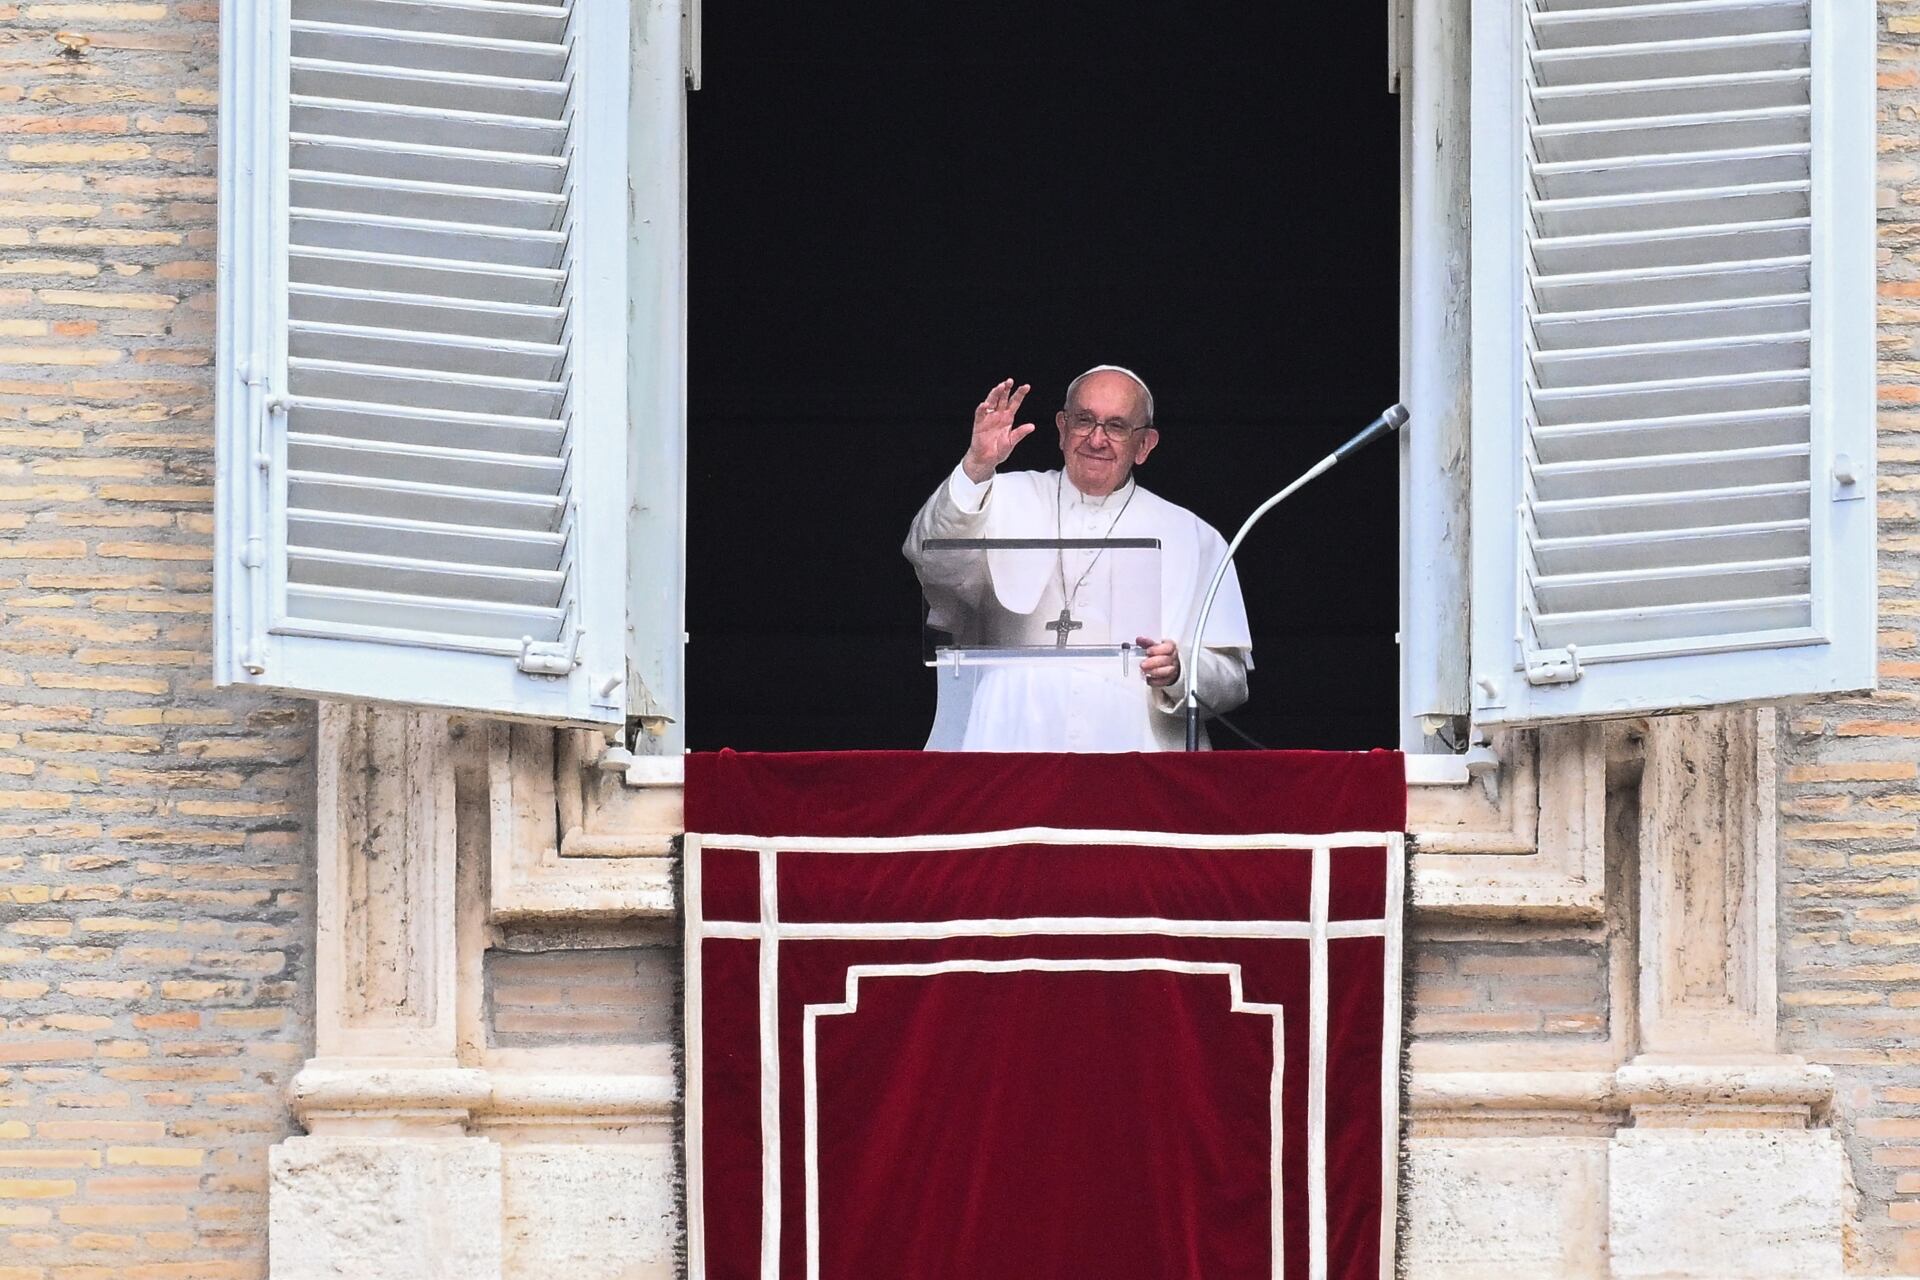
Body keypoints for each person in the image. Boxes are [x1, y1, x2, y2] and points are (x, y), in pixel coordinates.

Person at [903, 366, 1252, 751]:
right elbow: (930, 560)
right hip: (1009, 736)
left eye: (1117, 426)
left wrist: (1179, 670)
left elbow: (1231, 680)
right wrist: (976, 466)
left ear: (1145, 445)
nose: (1097, 439)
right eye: (1084, 420)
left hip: (1132, 748)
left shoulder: (1194, 537)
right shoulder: (998, 495)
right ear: (1062, 428)